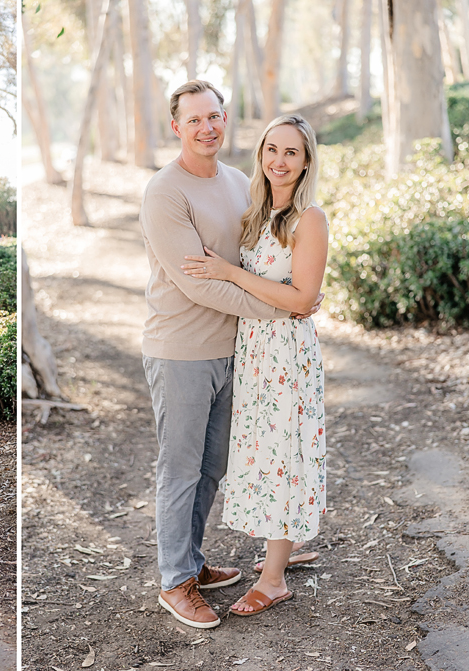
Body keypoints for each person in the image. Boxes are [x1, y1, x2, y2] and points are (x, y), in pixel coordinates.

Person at [139, 80, 322, 629]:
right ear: (177, 126)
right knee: (180, 468)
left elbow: (274, 257)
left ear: (225, 119)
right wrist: (286, 308)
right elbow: (199, 283)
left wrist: (295, 297)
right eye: (194, 119)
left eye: (214, 116)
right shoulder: (165, 192)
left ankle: (193, 561)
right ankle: (175, 580)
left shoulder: (241, 182)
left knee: (213, 466)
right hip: (183, 349)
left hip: (241, 352)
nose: (207, 127)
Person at [181, 114, 328, 616]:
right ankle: (281, 548)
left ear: (306, 161)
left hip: (287, 354)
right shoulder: (257, 212)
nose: (279, 161)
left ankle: (273, 579)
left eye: (291, 152)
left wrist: (228, 272)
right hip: (254, 352)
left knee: (284, 454)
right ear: (261, 154)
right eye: (272, 150)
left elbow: (302, 298)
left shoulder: (310, 218)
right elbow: (285, 291)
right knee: (264, 454)